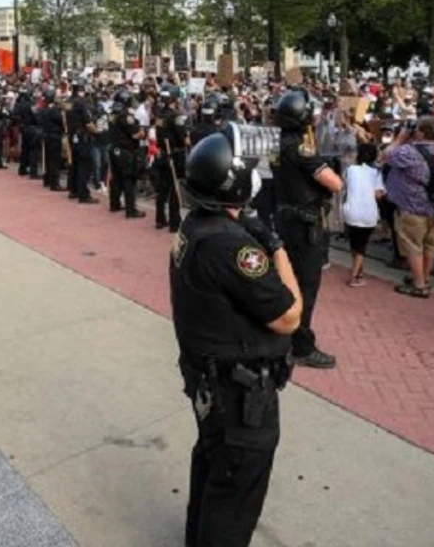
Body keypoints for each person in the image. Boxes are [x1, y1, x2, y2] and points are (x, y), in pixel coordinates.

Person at [170, 131, 302, 547]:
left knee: (214, 466)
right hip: (238, 391)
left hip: (211, 377)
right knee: (237, 487)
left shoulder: (196, 226)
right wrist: (274, 244)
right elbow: (289, 315)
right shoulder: (231, 247)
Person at [270, 89, 344, 369]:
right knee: (306, 286)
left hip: (285, 216)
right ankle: (301, 346)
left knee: (287, 281)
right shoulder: (302, 148)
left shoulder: (277, 143)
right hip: (305, 223)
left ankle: (285, 336)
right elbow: (335, 184)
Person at [385, 118, 434, 299]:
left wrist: (400, 138)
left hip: (412, 206)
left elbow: (387, 156)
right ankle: (424, 278)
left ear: (421, 131)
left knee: (413, 245)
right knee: (429, 243)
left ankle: (418, 284)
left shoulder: (409, 151)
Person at [341, 141, 384, 287]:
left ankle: (359, 271)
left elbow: (343, 185)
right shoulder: (376, 172)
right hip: (368, 212)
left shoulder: (350, 169)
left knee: (355, 244)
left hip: (351, 211)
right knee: (361, 245)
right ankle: (355, 276)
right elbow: (379, 194)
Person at [153, 92, 188, 232]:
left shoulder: (159, 115)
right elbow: (183, 138)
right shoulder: (176, 116)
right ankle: (174, 223)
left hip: (162, 153)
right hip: (175, 154)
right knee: (175, 188)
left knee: (162, 188)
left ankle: (159, 219)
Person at [107, 99, 147, 218]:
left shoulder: (111, 115)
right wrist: (142, 131)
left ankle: (114, 204)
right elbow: (136, 135)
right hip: (125, 152)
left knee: (116, 178)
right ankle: (131, 210)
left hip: (114, 149)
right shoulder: (125, 116)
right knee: (129, 179)